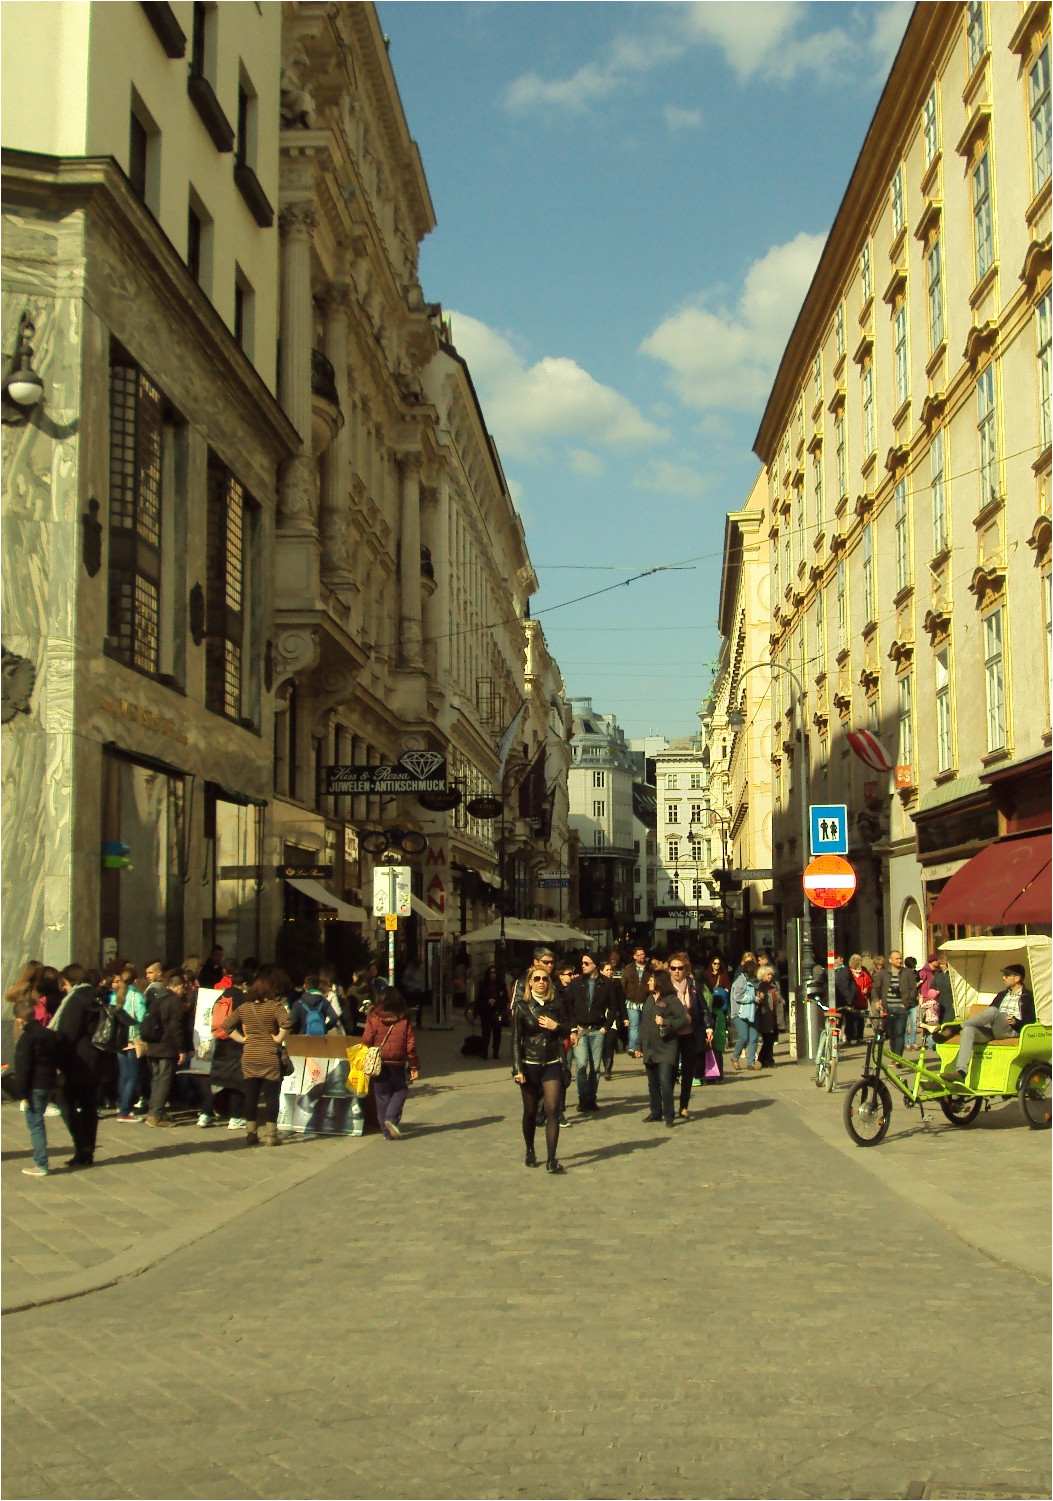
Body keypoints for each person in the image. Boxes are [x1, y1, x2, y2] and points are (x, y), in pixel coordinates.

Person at [511, 965, 571, 1172]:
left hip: (552, 1063)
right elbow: (515, 1039)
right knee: (529, 1111)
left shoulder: (556, 1004)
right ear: (529, 982)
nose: (541, 982)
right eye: (536, 979)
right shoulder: (521, 1006)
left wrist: (556, 1026)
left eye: (544, 979)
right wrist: (517, 1068)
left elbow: (567, 1029)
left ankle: (551, 1159)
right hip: (530, 1064)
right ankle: (530, 1150)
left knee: (552, 1109)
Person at [223, 973, 292, 1145]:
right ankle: (271, 1135)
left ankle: (251, 1133)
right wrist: (278, 1038)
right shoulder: (275, 1007)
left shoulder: (244, 1008)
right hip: (269, 1056)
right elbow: (287, 1023)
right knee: (271, 1097)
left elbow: (226, 1026)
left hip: (250, 1055)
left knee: (251, 1096)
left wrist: (242, 1039)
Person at [49, 964, 104, 1168]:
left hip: (76, 1062)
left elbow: (66, 1035)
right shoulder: (96, 996)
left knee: (64, 1101)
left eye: (63, 983)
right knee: (89, 1106)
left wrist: (57, 1061)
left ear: (69, 981)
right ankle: (87, 1149)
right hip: (96, 1060)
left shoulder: (75, 1001)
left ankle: (82, 1146)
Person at [942, 964, 1036, 1082]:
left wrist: (1016, 1022)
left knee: (993, 1011)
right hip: (993, 1029)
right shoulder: (1002, 995)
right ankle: (961, 1072)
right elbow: (988, 1015)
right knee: (968, 1030)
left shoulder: (1028, 997)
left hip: (1011, 1029)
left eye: (1007, 975)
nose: (1003, 978)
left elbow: (1031, 1021)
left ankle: (957, 1027)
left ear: (1017, 978)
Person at [10, 997, 66, 1176]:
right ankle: (40, 1162)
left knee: (35, 1125)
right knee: (38, 1122)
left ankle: (41, 1163)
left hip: (34, 1085)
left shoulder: (26, 1039)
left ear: (20, 1020)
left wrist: (22, 1093)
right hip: (48, 1083)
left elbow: (24, 1067)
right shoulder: (47, 1033)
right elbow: (57, 1056)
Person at [361, 986, 420, 1140]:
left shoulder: (373, 1017)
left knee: (381, 1095)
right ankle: (391, 1118)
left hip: (379, 1062)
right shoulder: (404, 1019)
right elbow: (410, 1045)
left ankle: (387, 1132)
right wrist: (414, 1065)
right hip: (397, 1062)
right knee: (400, 1090)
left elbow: (367, 1040)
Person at [563, 952, 617, 1112]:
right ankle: (582, 1098)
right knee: (581, 1064)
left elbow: (614, 1007)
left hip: (597, 1030)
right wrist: (573, 1027)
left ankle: (591, 1099)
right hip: (580, 1029)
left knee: (595, 1068)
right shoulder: (576, 983)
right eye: (582, 963)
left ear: (595, 965)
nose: (583, 965)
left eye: (586, 963)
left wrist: (605, 1027)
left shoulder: (606, 983)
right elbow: (568, 1007)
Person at [639, 970, 688, 1127]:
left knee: (665, 1082)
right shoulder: (648, 1000)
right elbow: (644, 1024)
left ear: (659, 981)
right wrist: (638, 1045)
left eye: (651, 980)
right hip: (650, 1047)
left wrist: (666, 1021)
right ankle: (655, 1112)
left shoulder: (671, 999)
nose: (648, 982)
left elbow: (683, 1020)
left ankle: (669, 1115)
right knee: (652, 1083)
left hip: (666, 1047)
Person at [667, 952, 713, 1117]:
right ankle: (668, 1105)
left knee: (688, 1071)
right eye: (673, 968)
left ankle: (684, 1105)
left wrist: (709, 1027)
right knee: (670, 1070)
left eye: (680, 968)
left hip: (690, 1033)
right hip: (672, 1034)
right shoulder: (666, 986)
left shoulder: (693, 985)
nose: (677, 971)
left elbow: (703, 1007)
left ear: (685, 969)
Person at [143, 969, 190, 1127]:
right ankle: (155, 1116)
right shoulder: (175, 1001)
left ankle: (155, 1111)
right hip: (166, 1047)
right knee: (164, 1080)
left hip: (153, 1044)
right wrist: (182, 1049)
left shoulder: (158, 997)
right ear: (180, 986)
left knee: (156, 1079)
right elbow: (176, 1028)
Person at [209, 972, 248, 1129]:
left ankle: (205, 1114)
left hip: (220, 1043)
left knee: (216, 1081)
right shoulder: (242, 999)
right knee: (237, 1083)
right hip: (236, 1044)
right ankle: (235, 1117)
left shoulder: (221, 997)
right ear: (244, 984)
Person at [112, 966, 147, 1122]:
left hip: (118, 1040)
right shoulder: (135, 996)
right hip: (133, 1039)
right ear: (135, 980)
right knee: (133, 1076)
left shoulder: (115, 997)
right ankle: (125, 1110)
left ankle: (121, 1104)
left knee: (124, 1075)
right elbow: (141, 1017)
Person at [870, 949, 917, 1058]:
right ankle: (894, 1056)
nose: (899, 961)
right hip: (888, 1008)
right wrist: (876, 1001)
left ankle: (897, 1058)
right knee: (892, 1034)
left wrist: (907, 1004)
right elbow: (875, 989)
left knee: (900, 1033)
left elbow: (913, 989)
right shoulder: (884, 974)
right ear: (890, 960)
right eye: (896, 958)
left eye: (900, 958)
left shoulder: (907, 973)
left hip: (902, 1008)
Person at [469, 964, 508, 1061]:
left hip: (497, 1012)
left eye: (494, 972)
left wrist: (496, 1001)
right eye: (490, 972)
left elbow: (505, 999)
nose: (492, 974)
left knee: (497, 1033)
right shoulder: (484, 985)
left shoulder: (501, 985)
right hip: (486, 1012)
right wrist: (475, 1012)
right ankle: (484, 1052)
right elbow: (479, 999)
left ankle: (496, 1052)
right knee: (485, 1033)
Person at [730, 958, 761, 1071]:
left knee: (753, 1037)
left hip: (751, 1012)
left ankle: (751, 1062)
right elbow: (737, 996)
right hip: (740, 1013)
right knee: (743, 1037)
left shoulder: (752, 981)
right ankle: (734, 1057)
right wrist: (753, 998)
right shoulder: (740, 980)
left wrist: (758, 998)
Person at [621, 946, 652, 1057]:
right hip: (631, 1001)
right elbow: (623, 984)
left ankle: (643, 1048)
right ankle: (633, 1048)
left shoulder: (649, 968)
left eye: (642, 954)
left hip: (646, 1001)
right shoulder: (628, 968)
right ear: (634, 956)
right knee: (634, 1025)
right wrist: (625, 996)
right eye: (638, 955)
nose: (640, 957)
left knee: (645, 1025)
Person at [600, 956, 627, 1080]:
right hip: (599, 1018)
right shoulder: (597, 984)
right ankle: (604, 1062)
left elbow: (621, 1002)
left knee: (610, 1043)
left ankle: (607, 1070)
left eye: (611, 970)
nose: (610, 972)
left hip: (613, 1018)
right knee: (602, 1045)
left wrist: (625, 1017)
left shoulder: (616, 984)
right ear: (601, 971)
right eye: (607, 970)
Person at [755, 963, 784, 1070]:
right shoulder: (760, 986)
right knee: (768, 1039)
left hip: (775, 1015)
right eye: (768, 975)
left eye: (771, 975)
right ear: (762, 975)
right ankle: (767, 1059)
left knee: (772, 1038)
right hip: (765, 1016)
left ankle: (764, 1059)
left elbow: (778, 996)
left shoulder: (774, 985)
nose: (770, 977)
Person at [844, 955, 871, 1045]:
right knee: (850, 1020)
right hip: (851, 1001)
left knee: (860, 1020)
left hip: (862, 1000)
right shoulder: (848, 973)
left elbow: (870, 983)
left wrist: (867, 988)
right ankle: (850, 1037)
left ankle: (860, 1037)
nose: (860, 966)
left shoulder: (864, 974)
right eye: (859, 964)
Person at [400, 957, 426, 1028]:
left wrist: (422, 989)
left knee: (419, 1007)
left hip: (419, 990)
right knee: (409, 1007)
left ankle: (418, 1022)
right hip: (410, 990)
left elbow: (422, 980)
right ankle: (407, 1022)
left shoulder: (422, 969)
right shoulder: (409, 969)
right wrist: (413, 986)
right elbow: (404, 980)